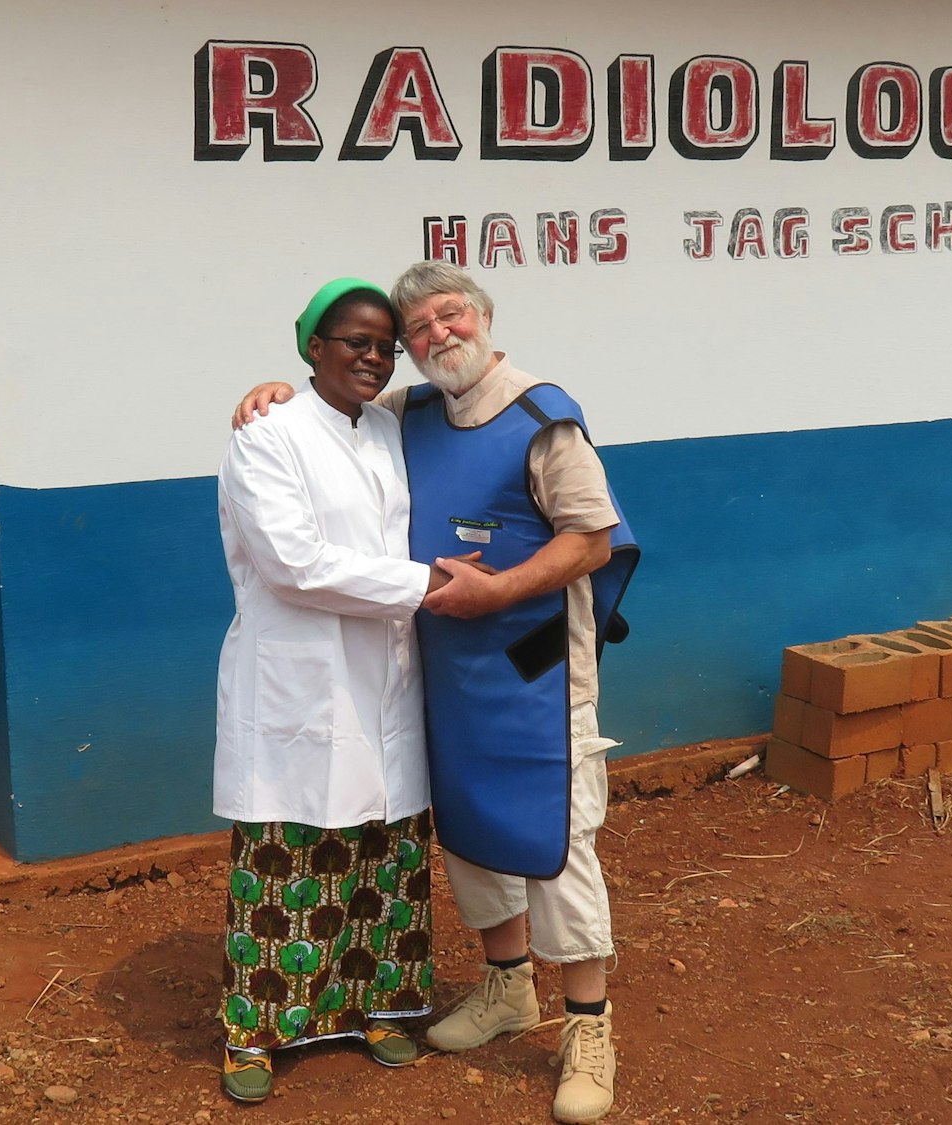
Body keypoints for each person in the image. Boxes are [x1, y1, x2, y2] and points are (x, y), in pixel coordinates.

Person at [233, 261, 638, 1124]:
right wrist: (277, 389)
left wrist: (501, 590)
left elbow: (594, 540)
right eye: (415, 331)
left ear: (484, 316)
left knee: (555, 834)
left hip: (534, 665)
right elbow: (328, 412)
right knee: (469, 829)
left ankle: (588, 1025)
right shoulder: (407, 414)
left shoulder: (543, 417)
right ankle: (506, 988)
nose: (433, 336)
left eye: (447, 316)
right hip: (446, 669)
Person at [213, 278, 494, 1104]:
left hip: (387, 665)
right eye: (353, 342)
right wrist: (427, 580)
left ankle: (381, 1005)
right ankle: (255, 1031)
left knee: (385, 840)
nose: (372, 357)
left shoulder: (387, 425)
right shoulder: (268, 432)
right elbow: (292, 564)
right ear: (312, 348)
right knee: (288, 846)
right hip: (301, 674)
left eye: (384, 346)